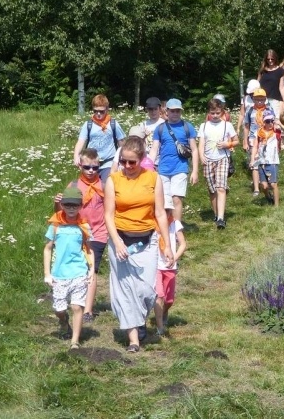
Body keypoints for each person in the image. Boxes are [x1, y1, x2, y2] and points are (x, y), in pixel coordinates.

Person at [104, 136, 174, 353]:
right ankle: (133, 339)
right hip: (120, 240)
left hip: (147, 240)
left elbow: (160, 213)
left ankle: (139, 318)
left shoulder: (153, 178)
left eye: (132, 162)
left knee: (146, 290)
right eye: (123, 161)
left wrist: (167, 245)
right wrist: (117, 243)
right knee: (124, 290)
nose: (127, 166)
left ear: (142, 159)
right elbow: (108, 215)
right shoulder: (113, 180)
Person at [53, 149, 108, 324]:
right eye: (87, 167)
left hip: (98, 233)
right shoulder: (74, 186)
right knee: (80, 267)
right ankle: (72, 296)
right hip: (77, 232)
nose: (91, 171)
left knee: (92, 268)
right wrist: (57, 203)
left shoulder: (104, 186)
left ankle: (88, 310)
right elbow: (62, 213)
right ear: (80, 166)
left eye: (95, 167)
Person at [44, 186, 94, 350]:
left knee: (77, 306)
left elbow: (89, 249)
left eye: (75, 205)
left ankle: (75, 341)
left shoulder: (84, 226)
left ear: (80, 206)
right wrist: (47, 273)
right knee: (59, 309)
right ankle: (63, 320)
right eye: (67, 205)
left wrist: (91, 270)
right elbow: (47, 249)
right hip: (59, 274)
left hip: (79, 271)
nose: (71, 209)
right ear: (62, 205)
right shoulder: (55, 226)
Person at [149, 98, 199, 223]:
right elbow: (154, 149)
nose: (175, 114)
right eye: (172, 111)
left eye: (178, 111)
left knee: (176, 198)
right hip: (163, 170)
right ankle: (166, 227)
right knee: (165, 201)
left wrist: (195, 171)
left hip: (180, 168)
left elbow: (194, 150)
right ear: (166, 111)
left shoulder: (187, 127)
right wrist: (148, 167)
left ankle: (177, 228)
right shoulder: (160, 128)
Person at [198, 98, 239, 229]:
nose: (215, 116)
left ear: (222, 112)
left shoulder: (227, 125)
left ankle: (221, 218)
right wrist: (201, 156)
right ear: (208, 112)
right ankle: (216, 214)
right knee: (212, 189)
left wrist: (228, 144)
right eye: (212, 113)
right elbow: (201, 144)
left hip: (223, 158)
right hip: (208, 159)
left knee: (221, 188)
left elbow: (236, 141)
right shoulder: (204, 126)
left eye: (217, 113)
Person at [72, 94, 125, 184]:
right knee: (88, 186)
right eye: (95, 111)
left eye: (101, 111)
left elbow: (122, 143)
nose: (98, 114)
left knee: (106, 185)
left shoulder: (113, 124)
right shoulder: (88, 125)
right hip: (91, 164)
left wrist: (122, 160)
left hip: (108, 162)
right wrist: (76, 156)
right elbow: (80, 141)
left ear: (107, 109)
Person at [153, 213, 186, 337]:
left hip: (170, 267)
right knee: (159, 295)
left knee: (169, 299)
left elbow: (183, 244)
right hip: (155, 265)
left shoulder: (175, 223)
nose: (166, 213)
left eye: (168, 210)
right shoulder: (152, 222)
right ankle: (160, 327)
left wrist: (174, 259)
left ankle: (164, 311)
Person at [251, 111, 284, 206]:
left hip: (272, 161)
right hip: (261, 161)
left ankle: (276, 206)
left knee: (273, 184)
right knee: (264, 186)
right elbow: (255, 146)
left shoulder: (276, 132)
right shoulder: (259, 132)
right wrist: (252, 159)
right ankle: (268, 197)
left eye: (271, 121)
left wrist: (280, 124)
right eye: (267, 121)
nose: (270, 123)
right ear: (264, 122)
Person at [241, 88, 275, 197]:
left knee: (267, 162)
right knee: (255, 163)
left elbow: (274, 125)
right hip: (253, 139)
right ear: (253, 99)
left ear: (265, 99)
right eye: (257, 99)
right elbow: (246, 126)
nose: (259, 101)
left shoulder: (269, 109)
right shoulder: (250, 110)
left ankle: (268, 183)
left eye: (262, 99)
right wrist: (245, 141)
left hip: (267, 139)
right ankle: (256, 188)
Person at [257, 49, 284, 123]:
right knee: (262, 120)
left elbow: (281, 87)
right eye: (268, 59)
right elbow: (257, 84)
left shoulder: (280, 71)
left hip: (275, 99)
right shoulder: (262, 70)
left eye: (272, 59)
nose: (270, 61)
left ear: (275, 58)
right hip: (262, 99)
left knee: (275, 120)